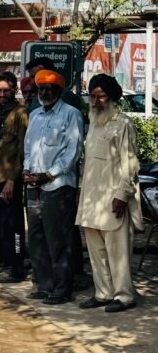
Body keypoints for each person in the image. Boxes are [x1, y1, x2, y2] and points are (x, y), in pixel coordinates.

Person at [77, 74, 141, 313]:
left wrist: (122, 195)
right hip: (92, 198)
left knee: (118, 251)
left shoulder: (123, 123)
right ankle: (103, 293)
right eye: (93, 96)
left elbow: (130, 163)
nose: (96, 101)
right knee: (96, 250)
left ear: (112, 98)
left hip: (113, 197)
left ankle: (124, 296)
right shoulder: (94, 122)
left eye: (101, 96)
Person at [24, 69, 83, 304]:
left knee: (58, 239)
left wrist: (48, 175)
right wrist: (28, 170)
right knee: (36, 237)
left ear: (59, 91)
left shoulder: (71, 114)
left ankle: (61, 289)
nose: (45, 93)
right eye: (41, 89)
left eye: (50, 89)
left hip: (58, 185)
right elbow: (28, 147)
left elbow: (73, 151)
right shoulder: (35, 115)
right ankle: (44, 285)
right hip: (34, 185)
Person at [0, 72, 29, 283]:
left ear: (14, 90)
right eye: (0, 90)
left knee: (13, 225)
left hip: (10, 178)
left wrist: (13, 179)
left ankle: (15, 267)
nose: (3, 94)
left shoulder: (21, 114)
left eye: (6, 90)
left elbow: (23, 149)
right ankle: (3, 261)